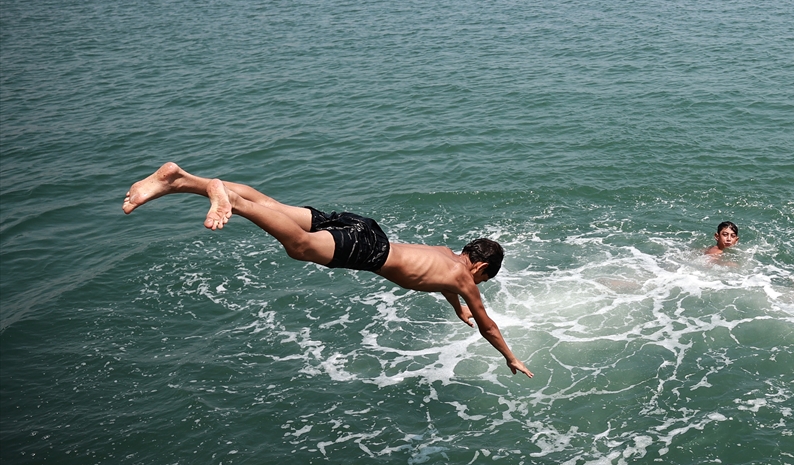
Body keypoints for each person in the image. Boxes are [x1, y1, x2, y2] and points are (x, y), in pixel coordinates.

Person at [123, 162, 533, 378]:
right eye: (483, 278)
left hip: (365, 227)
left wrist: (456, 306)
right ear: (479, 266)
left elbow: (445, 280)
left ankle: (178, 179)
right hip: (368, 250)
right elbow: (489, 325)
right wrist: (509, 357)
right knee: (298, 248)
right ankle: (226, 198)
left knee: (272, 204)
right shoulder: (465, 278)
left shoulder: (447, 254)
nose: (476, 284)